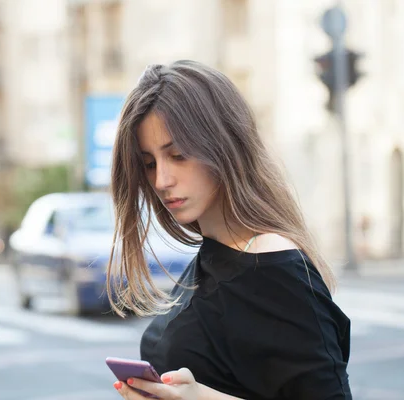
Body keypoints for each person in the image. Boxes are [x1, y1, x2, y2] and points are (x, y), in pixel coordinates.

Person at [106, 60, 352, 400]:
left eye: (177, 155)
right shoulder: (214, 253)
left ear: (223, 146)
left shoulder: (273, 270)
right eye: (149, 164)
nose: (161, 180)